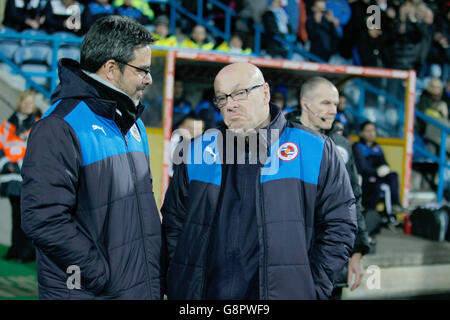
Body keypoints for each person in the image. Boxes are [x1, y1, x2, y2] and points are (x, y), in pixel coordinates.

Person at [161, 62, 357, 300]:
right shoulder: (195, 151)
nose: (230, 104)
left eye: (240, 93)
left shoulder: (315, 149)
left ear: (265, 92)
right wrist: (184, 280)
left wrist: (311, 287)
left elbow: (340, 224)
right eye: (222, 98)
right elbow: (174, 223)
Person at [20, 15, 163, 300]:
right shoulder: (59, 126)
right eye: (142, 70)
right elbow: (43, 217)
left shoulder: (135, 124)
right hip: (92, 291)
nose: (149, 79)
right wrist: (98, 274)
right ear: (111, 68)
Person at [292, 77, 370, 299]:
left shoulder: (342, 145)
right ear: (305, 103)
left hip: (329, 257)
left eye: (335, 104)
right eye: (326, 103)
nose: (334, 110)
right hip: (288, 255)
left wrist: (357, 251)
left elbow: (353, 199)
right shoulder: (281, 140)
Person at [0, 90, 41, 263]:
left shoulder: (39, 124)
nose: (27, 106)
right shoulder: (8, 124)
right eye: (25, 102)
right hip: (11, 176)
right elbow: (2, 145)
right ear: (20, 103)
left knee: (27, 214)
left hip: (28, 175)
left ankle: (28, 250)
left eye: (30, 103)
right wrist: (6, 163)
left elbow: (38, 149)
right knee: (15, 213)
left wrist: (19, 164)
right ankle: (15, 247)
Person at [352, 121, 405, 214]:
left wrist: (386, 168)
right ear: (361, 133)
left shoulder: (377, 147)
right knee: (375, 185)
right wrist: (377, 171)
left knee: (393, 175)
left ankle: (395, 205)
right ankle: (369, 212)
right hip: (366, 178)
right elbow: (363, 168)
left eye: (373, 130)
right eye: (368, 131)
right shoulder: (357, 147)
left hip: (378, 176)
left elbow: (385, 163)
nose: (371, 133)